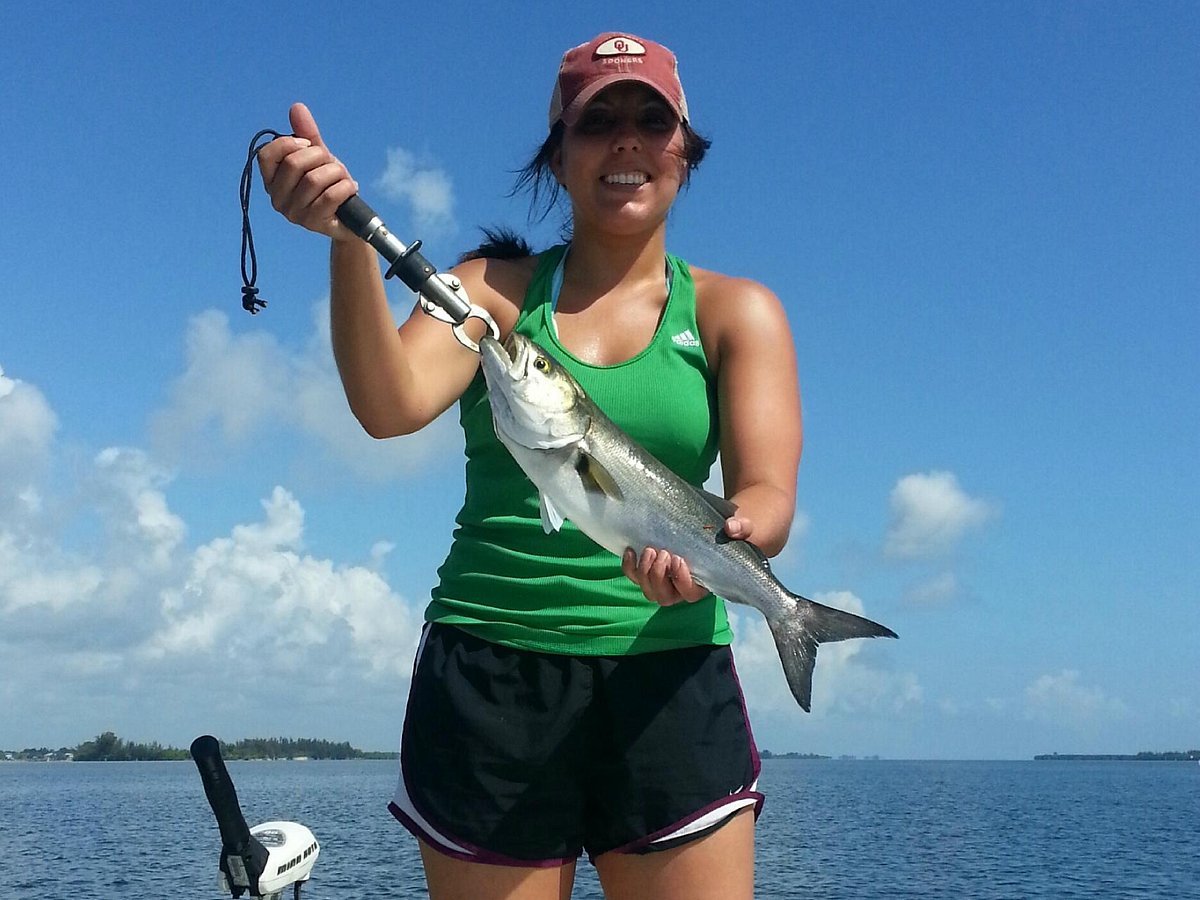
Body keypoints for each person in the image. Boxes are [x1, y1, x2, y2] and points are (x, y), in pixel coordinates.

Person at [256, 31, 802, 900]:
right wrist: (346, 240)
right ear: (557, 155)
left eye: (651, 121)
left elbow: (767, 494)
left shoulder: (739, 312)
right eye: (598, 123)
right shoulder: (491, 296)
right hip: (490, 673)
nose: (626, 142)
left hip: (670, 675)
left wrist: (731, 539)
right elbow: (388, 407)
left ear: (685, 152)